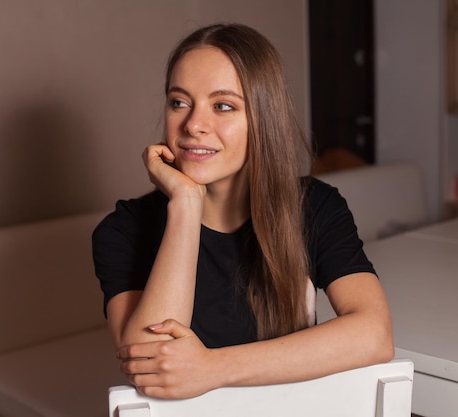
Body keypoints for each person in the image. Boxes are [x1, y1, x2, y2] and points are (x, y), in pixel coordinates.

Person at [92, 23, 394, 400]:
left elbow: (374, 334)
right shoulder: (123, 230)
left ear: (263, 119)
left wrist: (212, 368)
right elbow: (150, 367)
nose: (193, 125)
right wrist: (185, 204)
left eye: (222, 106)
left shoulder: (314, 207)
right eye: (179, 102)